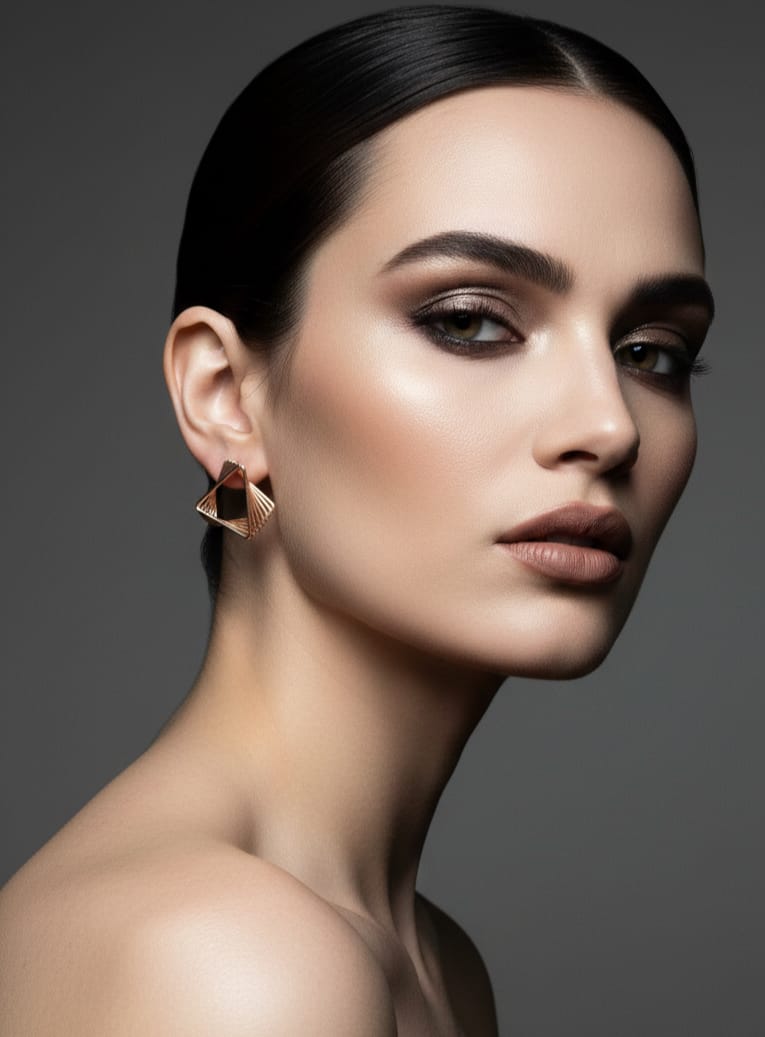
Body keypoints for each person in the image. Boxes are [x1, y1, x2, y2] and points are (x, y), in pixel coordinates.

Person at [0, 4, 715, 1033]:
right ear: (225, 396)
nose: (609, 426)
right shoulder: (231, 962)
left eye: (652, 351)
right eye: (470, 321)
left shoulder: (429, 960)